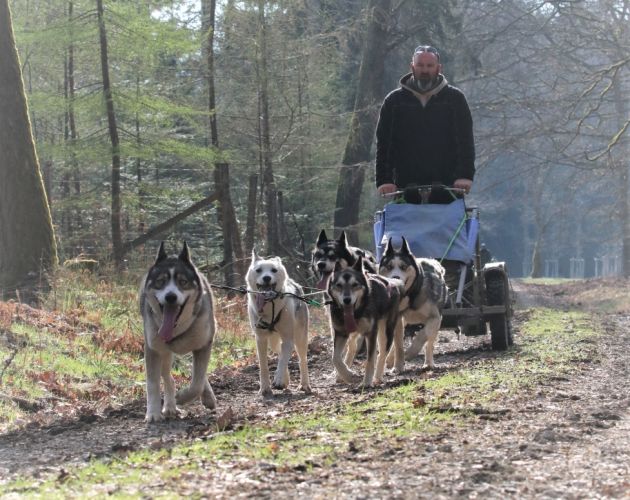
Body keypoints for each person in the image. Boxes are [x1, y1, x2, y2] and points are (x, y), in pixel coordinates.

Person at [375, 45, 475, 203]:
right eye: (420, 65)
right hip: (405, 186)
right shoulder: (394, 101)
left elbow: (465, 141)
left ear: (439, 68)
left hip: (448, 187)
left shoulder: (455, 99)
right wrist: (384, 180)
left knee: (450, 228)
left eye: (430, 66)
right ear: (412, 67)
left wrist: (465, 176)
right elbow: (385, 144)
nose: (425, 70)